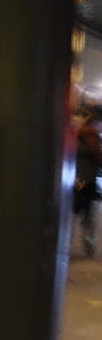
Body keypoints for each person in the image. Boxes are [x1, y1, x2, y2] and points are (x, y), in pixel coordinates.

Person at [73, 107, 101, 258]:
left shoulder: (74, 135)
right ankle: (88, 248)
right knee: (87, 215)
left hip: (75, 179)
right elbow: (98, 155)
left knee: (73, 213)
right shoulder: (90, 134)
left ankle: (63, 245)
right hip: (85, 180)